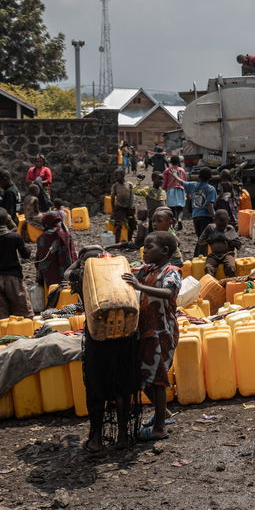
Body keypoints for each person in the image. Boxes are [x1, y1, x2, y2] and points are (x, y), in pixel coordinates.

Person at [68, 246, 139, 452]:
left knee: (97, 387)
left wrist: (81, 261)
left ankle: (96, 438)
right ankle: (124, 436)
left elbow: (67, 274)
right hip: (125, 336)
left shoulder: (81, 276)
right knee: (123, 387)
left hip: (97, 339)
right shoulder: (118, 272)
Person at [122, 231, 182, 441]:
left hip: (162, 331)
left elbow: (170, 293)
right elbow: (126, 269)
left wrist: (139, 287)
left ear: (164, 251)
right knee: (143, 375)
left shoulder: (171, 271)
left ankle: (159, 428)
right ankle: (162, 413)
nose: (144, 250)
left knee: (157, 378)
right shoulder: (147, 270)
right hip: (146, 330)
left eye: (149, 247)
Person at [0, 207, 32, 328]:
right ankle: (25, 328)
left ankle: (3, 333)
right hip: (13, 276)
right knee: (20, 304)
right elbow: (25, 254)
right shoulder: (14, 237)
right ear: (6, 221)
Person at [35, 211, 77, 288]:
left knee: (52, 292)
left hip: (50, 274)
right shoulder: (66, 234)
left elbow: (40, 258)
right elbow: (72, 253)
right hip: (67, 271)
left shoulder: (42, 238)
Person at [198, 209, 241, 278]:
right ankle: (211, 285)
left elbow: (238, 245)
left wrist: (227, 239)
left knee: (231, 267)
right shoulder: (210, 228)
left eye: (223, 225)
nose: (222, 227)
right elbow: (200, 241)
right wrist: (212, 239)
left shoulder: (228, 229)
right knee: (208, 267)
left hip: (227, 254)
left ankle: (232, 283)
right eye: (219, 225)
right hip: (213, 255)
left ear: (228, 220)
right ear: (214, 220)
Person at [184, 167, 217, 257]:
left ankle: (196, 256)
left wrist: (175, 176)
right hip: (206, 217)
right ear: (210, 178)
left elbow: (182, 183)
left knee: (200, 238)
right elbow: (210, 205)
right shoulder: (210, 189)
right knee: (205, 239)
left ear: (198, 177)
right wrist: (214, 216)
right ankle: (201, 257)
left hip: (195, 217)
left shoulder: (194, 185)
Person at [109, 168, 137, 245]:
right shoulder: (115, 186)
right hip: (120, 207)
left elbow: (132, 196)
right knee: (118, 225)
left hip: (129, 208)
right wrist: (113, 209)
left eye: (117, 176)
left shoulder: (129, 184)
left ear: (122, 175)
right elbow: (112, 198)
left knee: (132, 224)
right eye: (115, 176)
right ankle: (117, 242)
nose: (116, 177)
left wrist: (131, 207)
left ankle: (129, 240)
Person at [163, 156, 188, 230]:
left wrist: (163, 188)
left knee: (172, 208)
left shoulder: (168, 170)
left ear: (170, 162)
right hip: (180, 190)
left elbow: (165, 181)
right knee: (180, 208)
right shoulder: (182, 170)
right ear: (179, 162)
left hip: (171, 190)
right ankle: (179, 219)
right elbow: (185, 181)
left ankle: (173, 224)